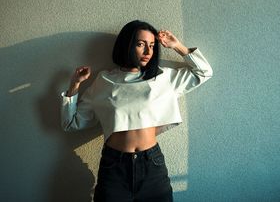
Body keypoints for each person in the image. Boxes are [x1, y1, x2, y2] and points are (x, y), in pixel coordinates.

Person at [61, 20, 212, 201]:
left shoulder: (162, 77)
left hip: (152, 165)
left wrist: (177, 45)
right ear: (127, 45)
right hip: (114, 167)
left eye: (152, 45)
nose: (148, 52)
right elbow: (70, 123)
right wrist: (75, 85)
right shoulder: (104, 81)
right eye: (141, 44)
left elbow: (204, 71)